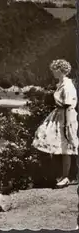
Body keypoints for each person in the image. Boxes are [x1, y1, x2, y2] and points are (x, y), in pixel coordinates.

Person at [32, 59, 78, 188]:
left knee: (66, 147)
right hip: (59, 114)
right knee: (45, 137)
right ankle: (60, 175)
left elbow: (68, 105)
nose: (52, 72)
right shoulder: (61, 83)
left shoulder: (68, 85)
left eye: (54, 70)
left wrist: (67, 125)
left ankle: (66, 177)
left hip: (65, 116)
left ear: (60, 70)